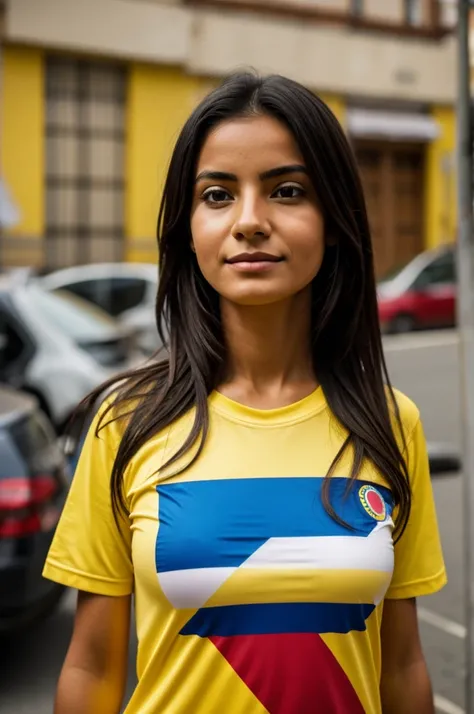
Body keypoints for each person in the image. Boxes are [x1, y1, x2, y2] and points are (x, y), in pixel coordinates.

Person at [43, 72, 446, 714]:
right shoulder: (125, 422)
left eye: (287, 191)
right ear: (188, 227)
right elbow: (91, 668)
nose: (250, 221)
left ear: (335, 220)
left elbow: (401, 666)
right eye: (218, 195)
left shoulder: (391, 424)